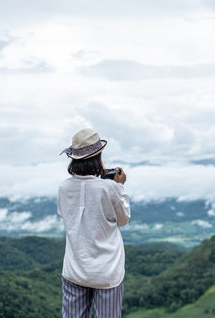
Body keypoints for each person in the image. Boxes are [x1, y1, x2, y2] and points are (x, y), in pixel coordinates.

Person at [58, 128, 130, 318]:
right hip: (107, 271)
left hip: (74, 269)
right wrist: (119, 186)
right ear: (98, 156)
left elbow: (67, 216)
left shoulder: (64, 188)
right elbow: (123, 219)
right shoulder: (109, 187)